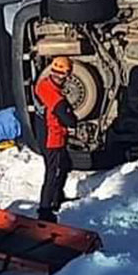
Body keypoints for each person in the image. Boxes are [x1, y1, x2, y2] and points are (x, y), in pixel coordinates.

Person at [34, 56, 78, 222]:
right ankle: (45, 210)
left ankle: (57, 197)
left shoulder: (44, 84)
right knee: (52, 172)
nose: (64, 79)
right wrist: (71, 120)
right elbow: (64, 114)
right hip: (51, 137)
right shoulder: (49, 90)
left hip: (54, 135)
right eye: (64, 75)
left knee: (64, 165)